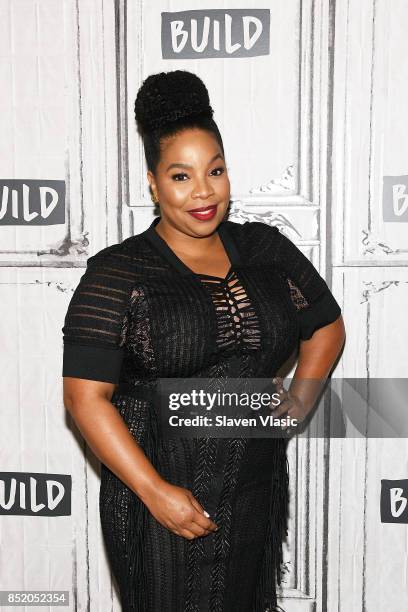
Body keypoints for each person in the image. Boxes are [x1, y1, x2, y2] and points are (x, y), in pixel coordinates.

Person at [62, 70, 345, 612]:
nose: (204, 192)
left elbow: (327, 325)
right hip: (157, 496)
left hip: (253, 489)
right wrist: (153, 492)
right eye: (181, 176)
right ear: (153, 182)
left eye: (215, 171)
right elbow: (84, 396)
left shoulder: (265, 249)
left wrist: (299, 401)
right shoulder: (119, 272)